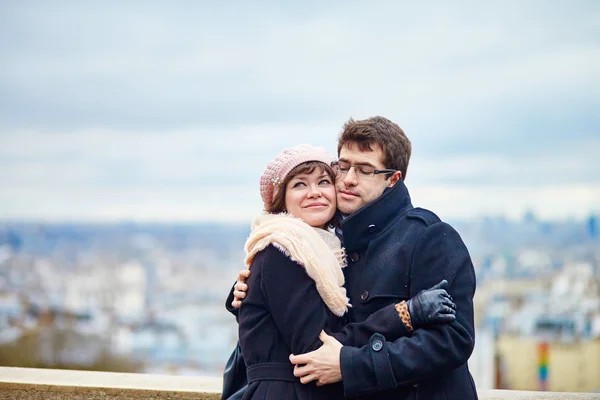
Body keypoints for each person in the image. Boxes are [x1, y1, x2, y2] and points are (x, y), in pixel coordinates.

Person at [231, 117, 478, 400]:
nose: (348, 179)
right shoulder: (325, 244)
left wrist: (352, 365)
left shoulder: (429, 237)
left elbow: (453, 340)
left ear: (392, 179)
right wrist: (249, 292)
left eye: (364, 170)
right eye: (343, 166)